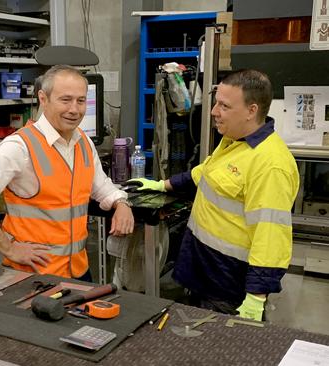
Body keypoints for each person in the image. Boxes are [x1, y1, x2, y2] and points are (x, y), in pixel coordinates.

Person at [128, 69, 299, 321]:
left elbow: (271, 236)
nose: (213, 112)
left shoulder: (270, 164)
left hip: (229, 285)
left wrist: (256, 295)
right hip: (203, 270)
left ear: (251, 111)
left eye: (224, 106)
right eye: (216, 102)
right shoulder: (234, 140)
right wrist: (162, 185)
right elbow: (206, 173)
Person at [0, 65, 134, 280]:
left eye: (80, 101)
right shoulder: (20, 146)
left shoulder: (83, 142)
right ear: (43, 98)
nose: (75, 109)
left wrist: (121, 203)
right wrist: (10, 248)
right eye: (65, 100)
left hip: (77, 270)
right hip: (32, 274)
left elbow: (101, 186)